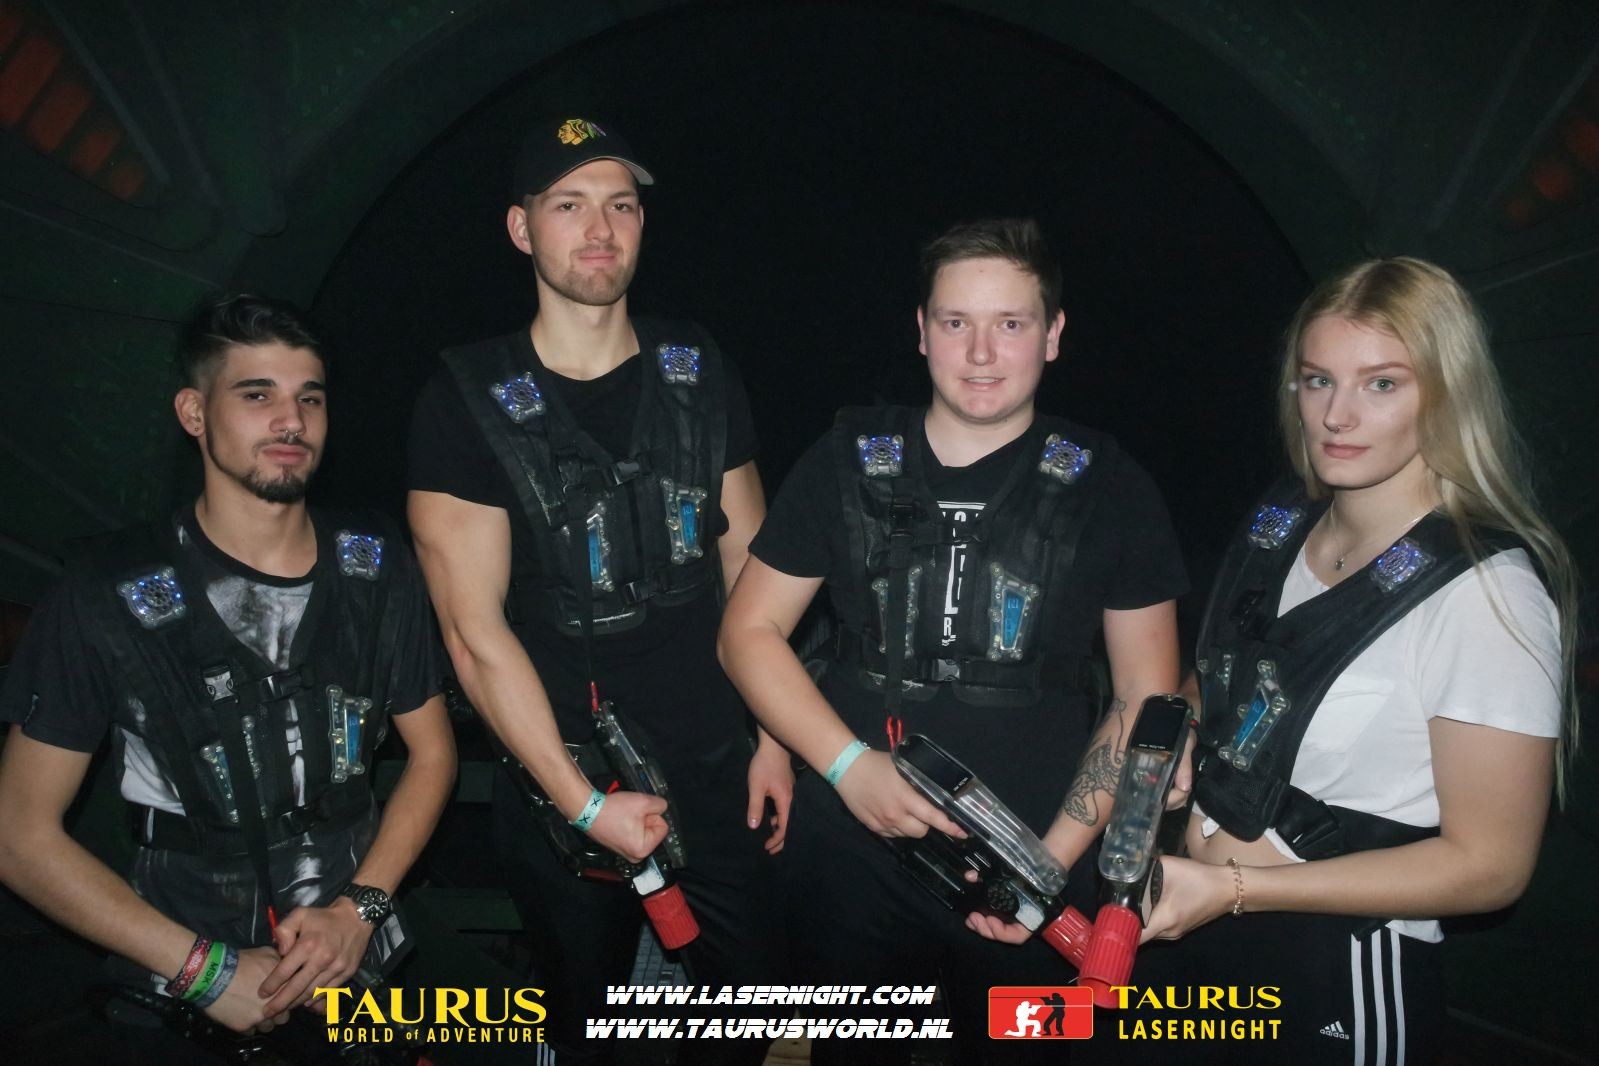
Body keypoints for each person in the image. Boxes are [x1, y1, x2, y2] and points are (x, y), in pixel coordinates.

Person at [718, 217, 1187, 1062]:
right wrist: (845, 766)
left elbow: (1144, 698)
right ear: (920, 331)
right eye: (955, 322)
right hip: (852, 854)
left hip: (1040, 849)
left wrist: (1046, 865)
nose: (979, 352)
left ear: (1052, 335)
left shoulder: (1112, 484)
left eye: (1009, 323)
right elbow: (748, 632)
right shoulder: (843, 459)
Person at [406, 116, 783, 1062]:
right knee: (586, 1031)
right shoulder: (465, 399)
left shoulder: (700, 371)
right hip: (562, 782)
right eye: (568, 205)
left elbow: (754, 574)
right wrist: (583, 804)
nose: (599, 228)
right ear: (521, 228)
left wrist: (776, 741)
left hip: (718, 771)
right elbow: (472, 633)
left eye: (620, 205)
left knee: (747, 1020)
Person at [1145, 257, 1579, 1064]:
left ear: (1445, 394)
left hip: (1338, 962)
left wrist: (1238, 890)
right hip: (1193, 926)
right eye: (1317, 381)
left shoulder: (1485, 593)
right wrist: (1178, 738)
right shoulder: (1282, 519)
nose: (1336, 416)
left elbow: (1490, 868)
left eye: (1381, 384)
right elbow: (1224, 675)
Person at [0, 294, 456, 1058]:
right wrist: (206, 973)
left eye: (309, 397)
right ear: (194, 412)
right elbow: (18, 834)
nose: (291, 421)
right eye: (256, 395)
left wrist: (360, 909)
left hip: (356, 962)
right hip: (174, 957)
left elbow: (433, 754)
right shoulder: (106, 591)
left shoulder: (377, 565)